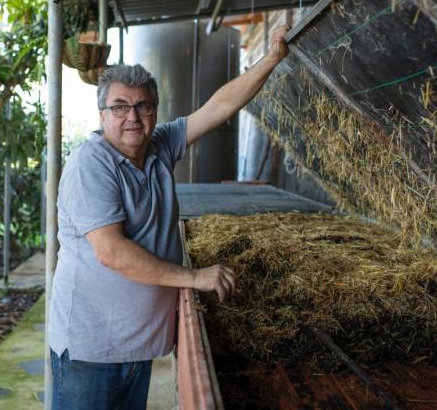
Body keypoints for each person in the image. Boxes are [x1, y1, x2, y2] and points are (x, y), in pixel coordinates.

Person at [49, 25, 290, 409]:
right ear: (103, 114)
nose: (133, 117)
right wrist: (195, 278)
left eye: (143, 106)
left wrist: (273, 57)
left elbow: (221, 106)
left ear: (155, 110)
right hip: (91, 352)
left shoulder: (160, 144)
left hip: (137, 346)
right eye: (120, 107)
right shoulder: (90, 165)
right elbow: (112, 252)